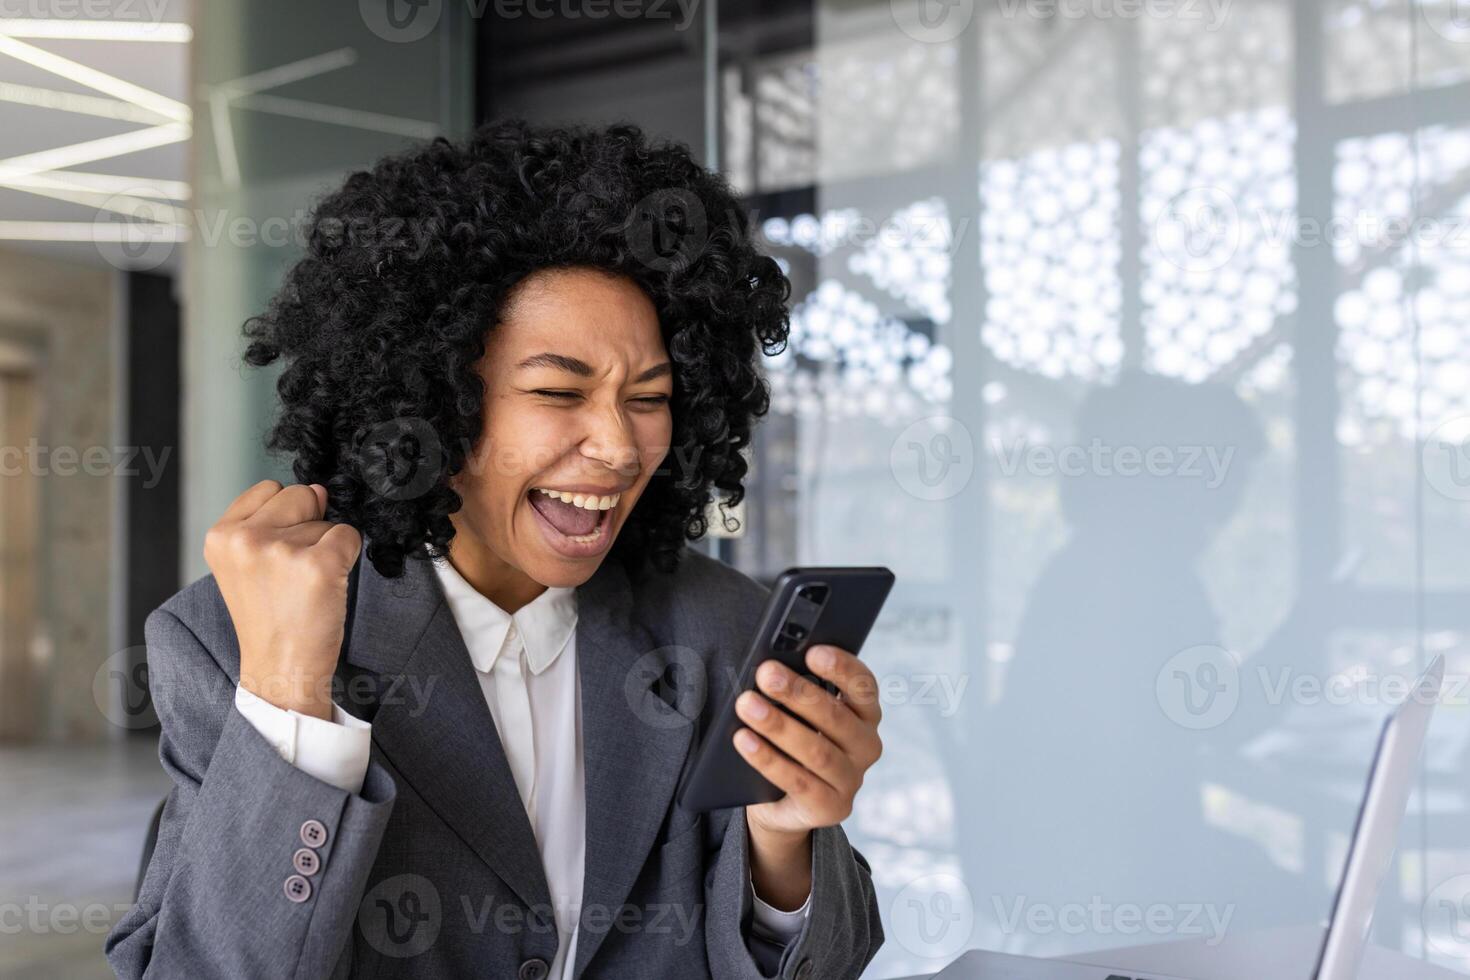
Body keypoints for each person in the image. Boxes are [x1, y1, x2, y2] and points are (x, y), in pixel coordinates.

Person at [106, 120, 884, 980]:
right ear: (433, 402)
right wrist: (291, 696)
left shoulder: (718, 627)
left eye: (650, 397)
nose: (620, 448)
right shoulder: (229, 641)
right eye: (559, 391)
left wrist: (782, 843)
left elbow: (834, 959)